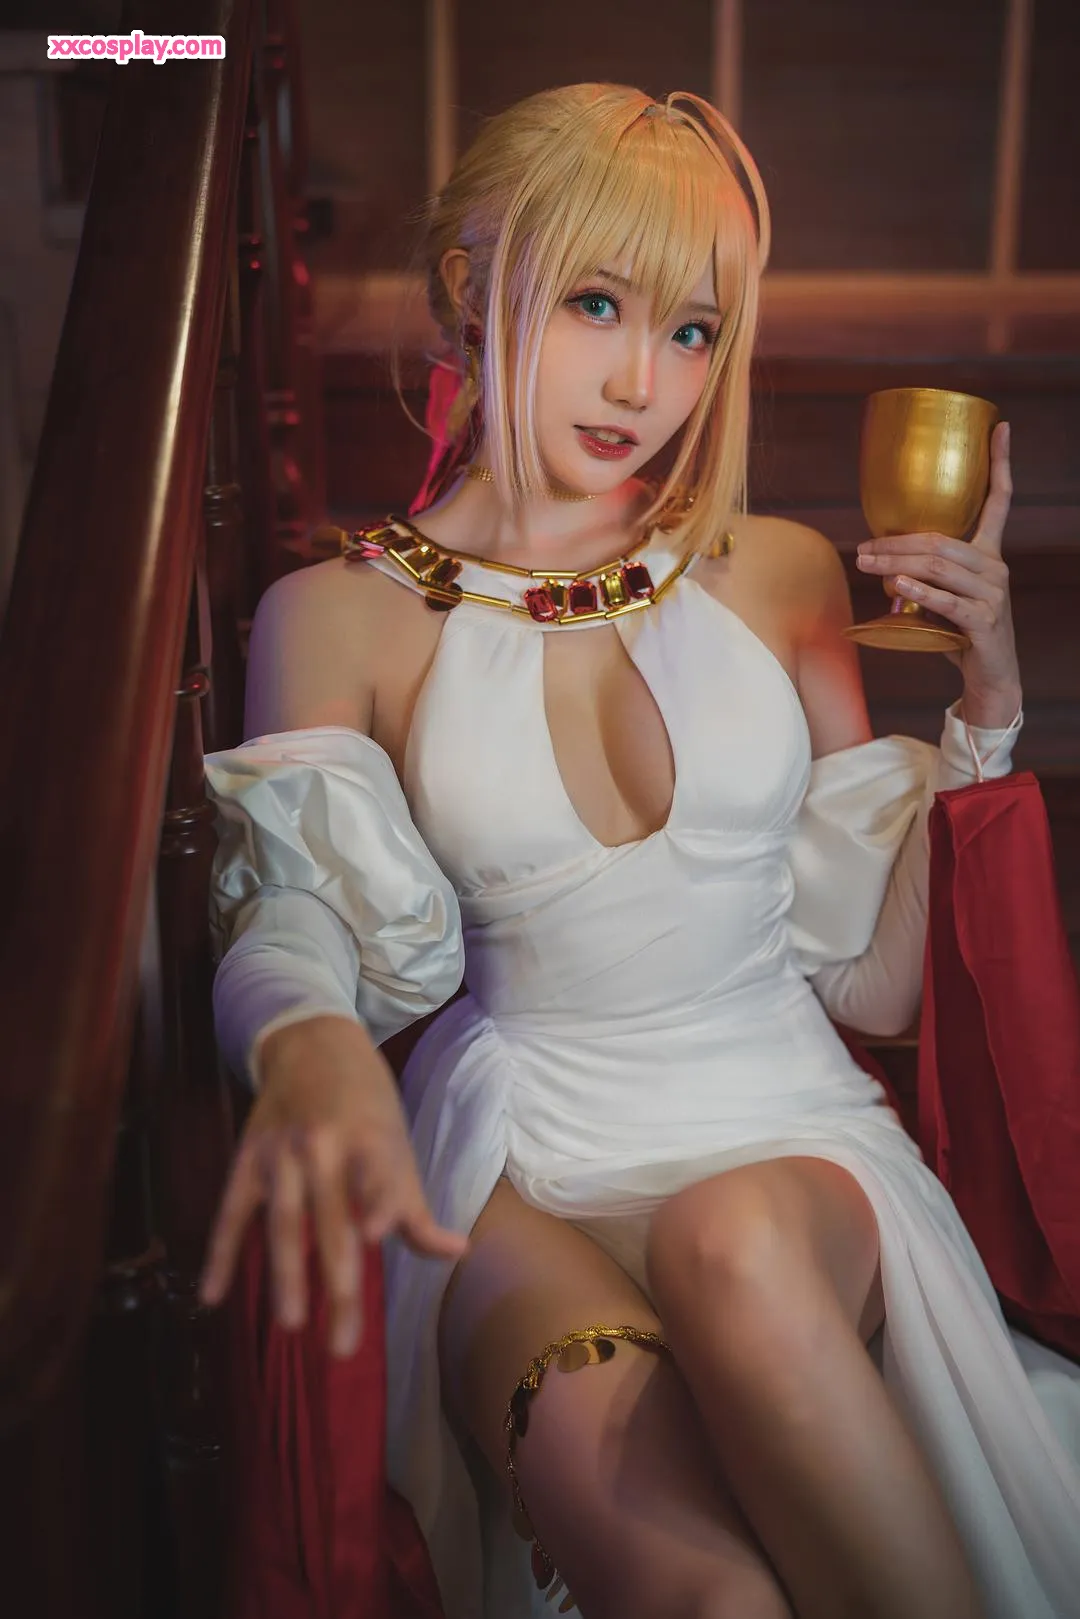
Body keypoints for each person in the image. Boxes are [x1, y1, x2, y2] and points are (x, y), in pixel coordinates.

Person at [199, 84, 1080, 1619]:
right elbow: (293, 918)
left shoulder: (779, 575)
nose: (643, 380)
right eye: (597, 303)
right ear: (471, 287)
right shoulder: (333, 616)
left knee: (731, 1238)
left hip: (787, 1130)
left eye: (692, 330)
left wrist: (987, 706)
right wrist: (306, 1042)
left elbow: (871, 989)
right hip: (523, 1156)